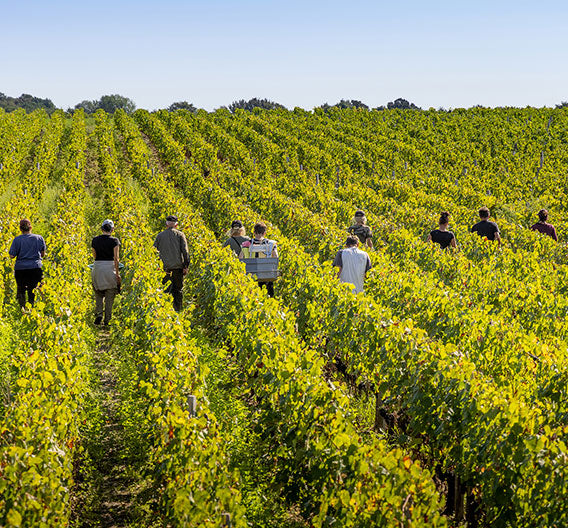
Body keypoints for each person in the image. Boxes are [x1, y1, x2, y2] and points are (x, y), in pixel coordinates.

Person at [154, 215, 189, 312]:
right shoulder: (180, 235)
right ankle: (178, 311)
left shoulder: (159, 236)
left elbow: (154, 252)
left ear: (166, 224)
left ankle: (166, 313)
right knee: (178, 291)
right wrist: (185, 266)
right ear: (176, 225)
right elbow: (185, 251)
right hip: (177, 268)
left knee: (166, 291)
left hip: (165, 269)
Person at [9, 218, 46, 309]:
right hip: (35, 267)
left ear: (20, 229)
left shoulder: (17, 240)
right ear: (31, 227)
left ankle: (23, 310)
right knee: (33, 290)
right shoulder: (39, 238)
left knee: (21, 290)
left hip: (21, 269)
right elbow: (43, 254)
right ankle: (32, 309)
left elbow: (12, 255)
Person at [91, 219, 121, 326]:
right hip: (109, 268)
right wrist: (117, 274)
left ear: (101, 229)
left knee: (98, 292)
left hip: (98, 267)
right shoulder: (114, 241)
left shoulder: (95, 240)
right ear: (112, 229)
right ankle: (107, 319)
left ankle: (99, 314)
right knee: (110, 294)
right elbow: (116, 259)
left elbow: (94, 256)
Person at [239, 222, 278, 297]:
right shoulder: (271, 244)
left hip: (251, 276)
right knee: (268, 298)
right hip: (266, 275)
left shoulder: (246, 245)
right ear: (265, 233)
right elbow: (275, 256)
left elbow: (240, 258)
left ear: (254, 232)